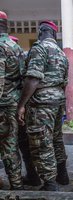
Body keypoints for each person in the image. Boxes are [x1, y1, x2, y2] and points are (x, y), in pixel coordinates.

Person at [16, 20, 69, 191]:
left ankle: (50, 183)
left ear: (40, 32)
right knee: (56, 138)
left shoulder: (39, 49)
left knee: (42, 142)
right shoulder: (62, 54)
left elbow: (33, 78)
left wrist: (21, 105)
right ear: (54, 34)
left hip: (42, 103)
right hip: (58, 101)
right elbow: (65, 83)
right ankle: (63, 175)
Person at [8, 35, 42, 186]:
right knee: (24, 143)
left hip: (10, 105)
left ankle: (18, 181)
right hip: (22, 105)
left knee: (11, 143)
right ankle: (32, 176)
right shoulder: (26, 56)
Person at [0, 10, 24, 190]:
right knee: (11, 145)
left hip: (2, 104)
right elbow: (24, 78)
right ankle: (16, 184)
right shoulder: (16, 47)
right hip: (13, 103)